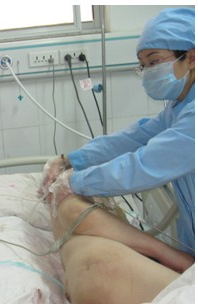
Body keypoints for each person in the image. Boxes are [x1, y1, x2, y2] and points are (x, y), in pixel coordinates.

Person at [41, 7, 195, 256]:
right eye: (143, 65)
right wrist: (69, 160)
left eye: (154, 62)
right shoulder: (179, 107)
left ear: (191, 57)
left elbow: (146, 164)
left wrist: (75, 182)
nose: (148, 71)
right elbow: (133, 139)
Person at [46, 171, 194, 304]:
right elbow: (75, 211)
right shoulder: (72, 207)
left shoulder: (67, 220)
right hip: (103, 282)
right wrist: (166, 253)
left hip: (88, 289)